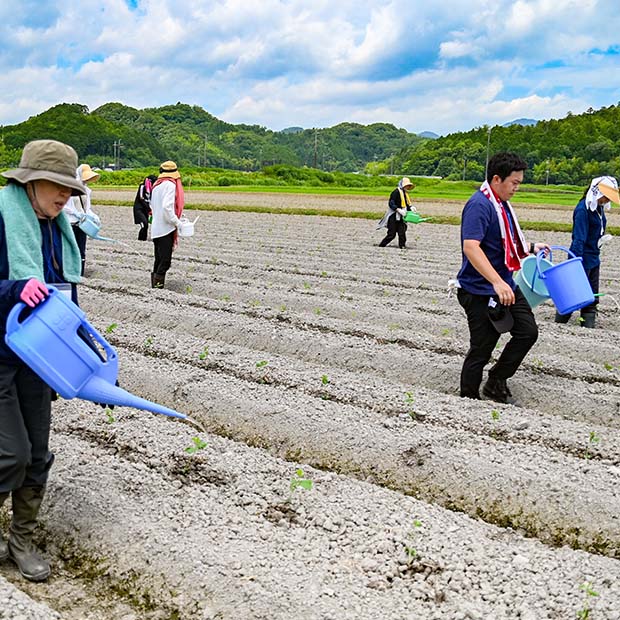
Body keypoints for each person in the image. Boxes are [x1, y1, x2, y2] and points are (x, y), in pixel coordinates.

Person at [0, 139, 85, 581]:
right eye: (59, 187)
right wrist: (13, 290)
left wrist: (79, 364)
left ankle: (21, 541)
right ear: (32, 182)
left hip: (39, 355)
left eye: (70, 191)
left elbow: (64, 296)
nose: (65, 197)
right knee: (10, 455)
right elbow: (18, 288)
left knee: (37, 454)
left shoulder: (58, 228)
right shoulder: (2, 216)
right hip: (0, 354)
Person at [455, 152, 549, 404]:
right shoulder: (480, 205)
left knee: (527, 332)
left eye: (519, 183)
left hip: (505, 284)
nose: (517, 188)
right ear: (497, 179)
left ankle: (496, 379)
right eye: (514, 183)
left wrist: (530, 247)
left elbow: (503, 241)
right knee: (482, 349)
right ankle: (468, 400)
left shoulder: (501, 204)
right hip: (480, 290)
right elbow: (471, 247)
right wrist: (496, 282)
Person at [554, 176, 619, 328]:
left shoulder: (598, 207)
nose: (607, 200)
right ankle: (559, 324)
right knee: (573, 294)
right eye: (606, 196)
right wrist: (575, 263)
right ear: (597, 192)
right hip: (581, 257)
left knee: (591, 295)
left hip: (594, 257)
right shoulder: (583, 209)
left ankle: (588, 325)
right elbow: (579, 239)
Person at [150, 161, 184, 288]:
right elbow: (167, 207)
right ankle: (158, 287)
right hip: (165, 228)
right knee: (165, 261)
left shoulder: (156, 186)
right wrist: (177, 222)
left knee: (158, 259)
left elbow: (153, 206)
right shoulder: (170, 185)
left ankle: (155, 287)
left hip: (156, 228)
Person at [62, 163, 100, 276]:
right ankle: (68, 272)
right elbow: (62, 205)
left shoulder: (87, 191)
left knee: (81, 250)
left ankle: (80, 274)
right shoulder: (69, 188)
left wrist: (93, 216)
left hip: (81, 224)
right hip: (70, 223)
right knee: (70, 249)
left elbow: (87, 208)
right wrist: (74, 213)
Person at [377, 177, 415, 248]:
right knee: (392, 234)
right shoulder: (396, 192)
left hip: (402, 216)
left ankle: (402, 246)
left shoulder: (405, 193)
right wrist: (398, 209)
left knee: (402, 232)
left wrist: (410, 208)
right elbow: (391, 203)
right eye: (407, 185)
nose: (408, 187)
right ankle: (382, 245)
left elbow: (406, 204)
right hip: (393, 215)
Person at [133, 174, 157, 241]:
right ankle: (140, 238)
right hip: (139, 209)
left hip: (146, 209)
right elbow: (141, 198)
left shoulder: (153, 189)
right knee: (144, 223)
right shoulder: (142, 186)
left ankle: (144, 238)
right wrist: (149, 209)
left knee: (146, 224)